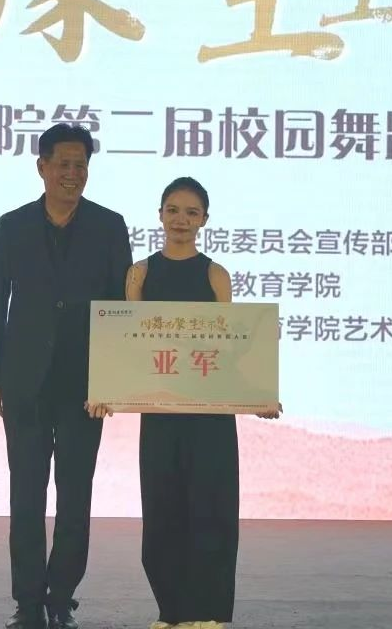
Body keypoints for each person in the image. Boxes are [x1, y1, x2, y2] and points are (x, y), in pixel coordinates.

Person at [88, 176, 282, 629]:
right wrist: (105, 393)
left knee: (211, 510)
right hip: (161, 413)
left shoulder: (215, 274)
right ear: (159, 215)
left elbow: (229, 346)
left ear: (204, 221)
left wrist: (258, 394)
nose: (181, 220)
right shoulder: (139, 274)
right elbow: (131, 346)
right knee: (163, 511)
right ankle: (171, 612)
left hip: (210, 417)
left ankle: (208, 614)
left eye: (191, 213)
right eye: (173, 210)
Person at [0, 123, 133, 629]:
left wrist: (113, 380)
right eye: (64, 163)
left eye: (81, 165)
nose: (73, 173)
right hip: (24, 381)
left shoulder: (109, 226)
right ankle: (28, 602)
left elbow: (121, 308)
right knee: (25, 496)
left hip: (84, 384)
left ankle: (61, 597)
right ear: (42, 167)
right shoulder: (12, 225)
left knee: (75, 496)